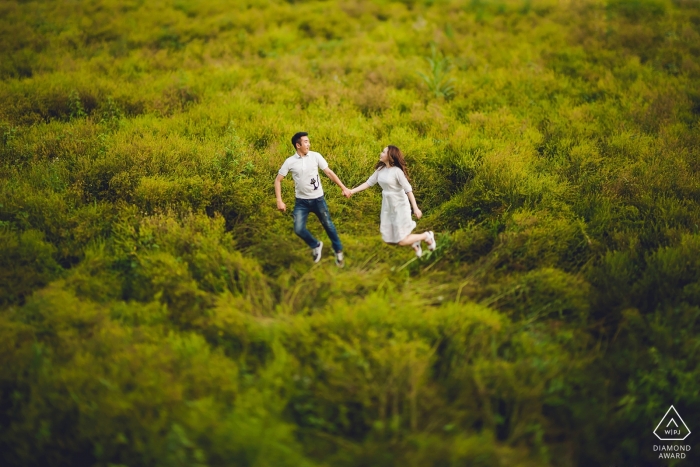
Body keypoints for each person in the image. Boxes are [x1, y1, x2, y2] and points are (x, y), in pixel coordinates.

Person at [275, 132, 350, 267]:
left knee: (328, 225)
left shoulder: (315, 156)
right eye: (305, 142)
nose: (308, 144)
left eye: (308, 141)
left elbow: (329, 172)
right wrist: (279, 200)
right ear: (298, 145)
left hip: (318, 200)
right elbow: (278, 180)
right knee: (298, 229)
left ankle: (338, 251)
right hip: (301, 202)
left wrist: (343, 187)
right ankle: (316, 245)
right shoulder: (290, 162)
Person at [348, 145, 436, 257]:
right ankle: (414, 241)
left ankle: (426, 236)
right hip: (387, 207)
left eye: (383, 152)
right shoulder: (380, 170)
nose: (381, 153)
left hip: (400, 206)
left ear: (390, 156)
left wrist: (415, 208)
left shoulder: (397, 172)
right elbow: (368, 183)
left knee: (401, 240)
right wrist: (351, 191)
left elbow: (408, 190)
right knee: (388, 239)